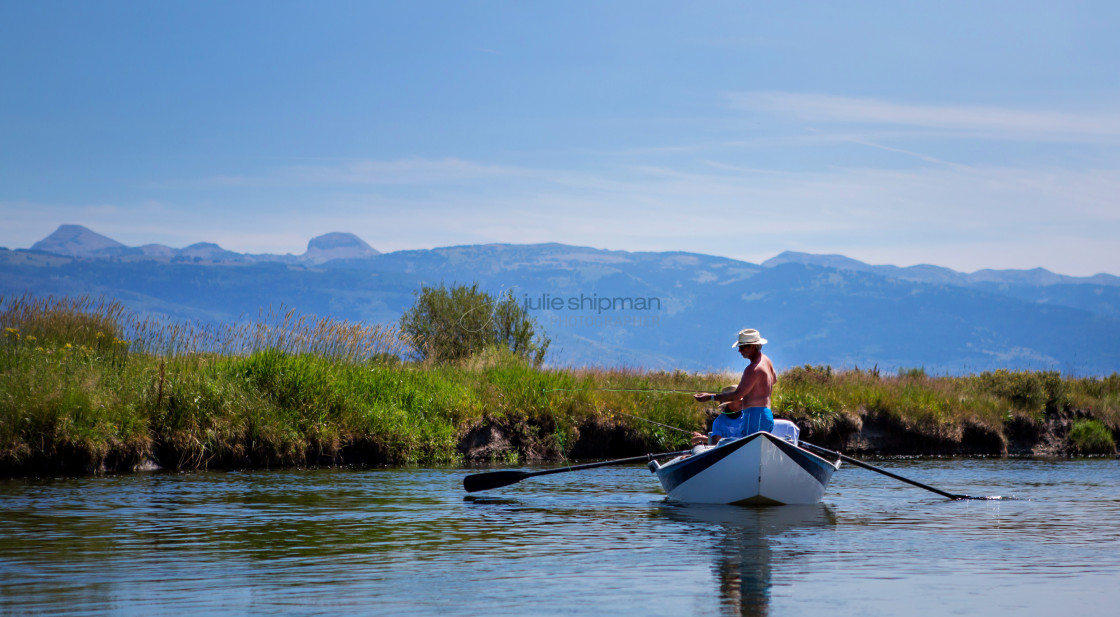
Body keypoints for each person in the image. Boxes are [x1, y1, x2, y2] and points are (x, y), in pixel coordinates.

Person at [691, 328, 776, 446]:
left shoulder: (753, 369)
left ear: (753, 346)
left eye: (742, 347)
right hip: (766, 415)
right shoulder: (767, 361)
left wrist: (709, 397)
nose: (739, 351)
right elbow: (774, 379)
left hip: (755, 417)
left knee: (750, 448)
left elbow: (737, 395)